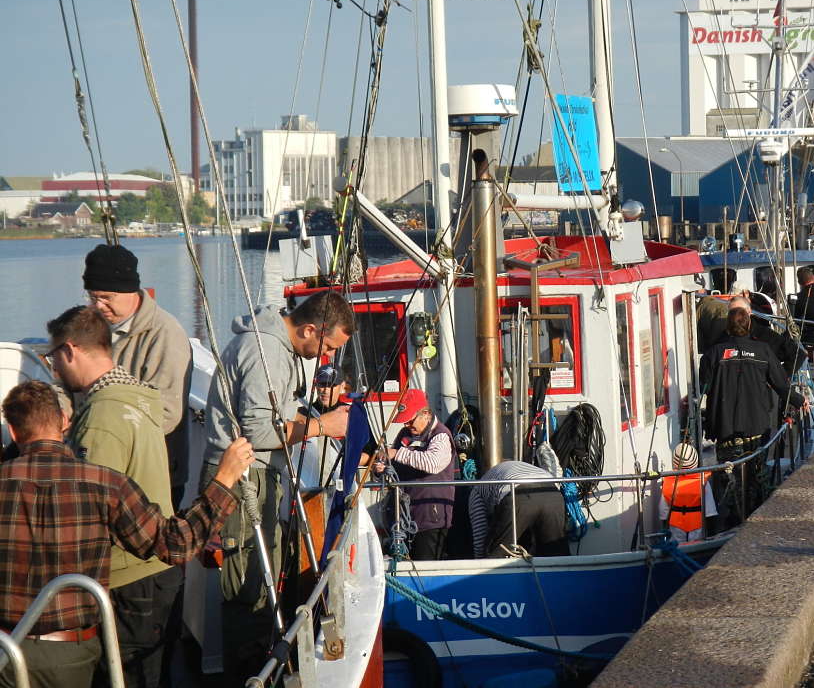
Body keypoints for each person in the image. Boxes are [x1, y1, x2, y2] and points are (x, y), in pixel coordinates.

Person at [0, 379, 254, 688]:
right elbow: (175, 544)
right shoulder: (105, 484)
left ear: (13, 432)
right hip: (73, 654)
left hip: (6, 651)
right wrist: (224, 478)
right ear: (64, 422)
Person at [201, 290, 355, 685]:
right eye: (327, 347)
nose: (325, 359)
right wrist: (324, 426)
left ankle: (260, 664)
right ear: (309, 329)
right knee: (247, 584)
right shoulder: (265, 352)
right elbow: (258, 430)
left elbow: (276, 415)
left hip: (258, 477)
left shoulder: (276, 348)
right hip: (242, 479)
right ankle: (248, 675)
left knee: (261, 574)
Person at [46, 305, 180, 688]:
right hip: (156, 570)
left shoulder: (102, 417)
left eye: (54, 356)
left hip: (130, 579)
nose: (55, 368)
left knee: (127, 676)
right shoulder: (135, 397)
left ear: (70, 351)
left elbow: (90, 512)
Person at [83, 243, 193, 510]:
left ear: (129, 291)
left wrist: (106, 432)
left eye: (106, 297)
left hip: (151, 473)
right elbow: (67, 381)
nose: (98, 305)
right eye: (92, 296)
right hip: (101, 464)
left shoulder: (165, 335)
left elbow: (165, 413)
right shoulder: (91, 325)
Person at [700, 308, 807, 527]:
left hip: (725, 427)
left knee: (729, 476)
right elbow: (781, 385)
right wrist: (798, 400)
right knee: (757, 475)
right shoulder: (763, 351)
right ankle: (755, 516)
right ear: (749, 325)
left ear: (727, 327)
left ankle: (731, 521)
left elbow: (704, 388)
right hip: (756, 424)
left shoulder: (713, 353)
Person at [375, 388, 457, 561]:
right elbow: (394, 464)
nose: (407, 425)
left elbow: (432, 463)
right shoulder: (405, 434)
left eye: (410, 421)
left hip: (431, 518)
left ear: (426, 414)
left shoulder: (441, 436)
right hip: (403, 517)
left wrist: (397, 454)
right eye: (405, 422)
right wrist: (382, 468)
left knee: (426, 565)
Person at [468, 460, 569, 558]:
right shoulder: (508, 469)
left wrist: (480, 561)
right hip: (552, 491)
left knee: (497, 555)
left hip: (518, 493)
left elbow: (480, 534)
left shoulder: (476, 492)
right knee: (556, 553)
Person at [725, 295, 802, 373]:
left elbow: (797, 354)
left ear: (749, 312)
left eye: (740, 312)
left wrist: (778, 378)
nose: (736, 317)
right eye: (732, 313)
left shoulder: (765, 335)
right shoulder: (724, 337)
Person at [658, 443, 717, 542]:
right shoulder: (702, 481)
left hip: (675, 525)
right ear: (695, 460)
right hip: (697, 524)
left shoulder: (668, 482)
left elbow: (663, 512)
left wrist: (665, 525)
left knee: (677, 547)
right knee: (697, 547)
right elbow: (710, 511)